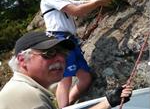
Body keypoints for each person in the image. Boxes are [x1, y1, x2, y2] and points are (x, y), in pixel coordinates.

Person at [40, 0, 128, 108]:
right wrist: (98, 3)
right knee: (65, 79)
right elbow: (77, 11)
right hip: (59, 41)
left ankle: (67, 105)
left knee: (85, 79)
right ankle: (64, 107)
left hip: (69, 41)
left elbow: (90, 1)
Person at [0, 31, 132, 109]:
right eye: (49, 53)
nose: (60, 59)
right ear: (23, 60)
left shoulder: (24, 88)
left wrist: (107, 102)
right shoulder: (26, 95)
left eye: (63, 53)